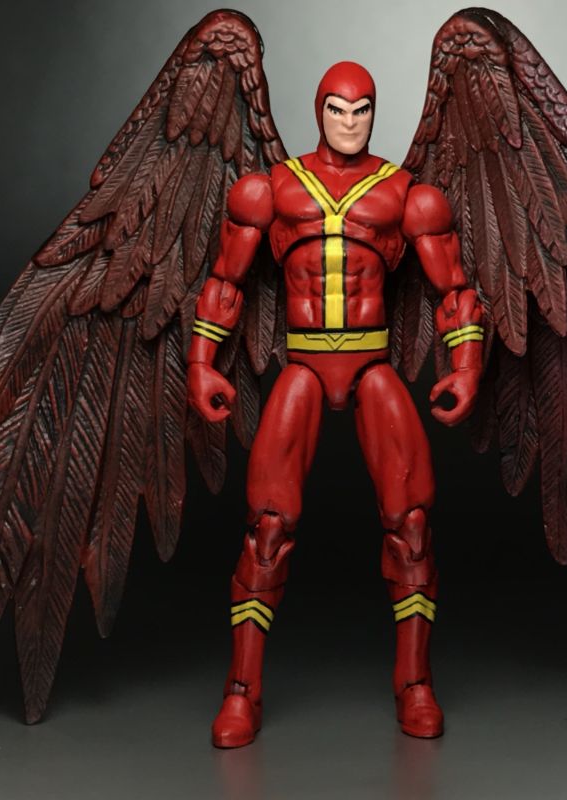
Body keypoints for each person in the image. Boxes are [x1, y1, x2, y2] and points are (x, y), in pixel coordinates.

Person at [186, 61, 484, 748]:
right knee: (266, 526)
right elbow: (226, 281)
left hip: (373, 365)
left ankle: (414, 683)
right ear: (318, 111)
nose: (349, 122)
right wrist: (201, 361)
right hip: (304, 367)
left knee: (412, 524)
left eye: (361, 110)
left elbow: (453, 291)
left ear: (374, 113)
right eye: (337, 110)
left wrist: (466, 365)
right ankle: (241, 690)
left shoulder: (408, 196)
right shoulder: (270, 189)